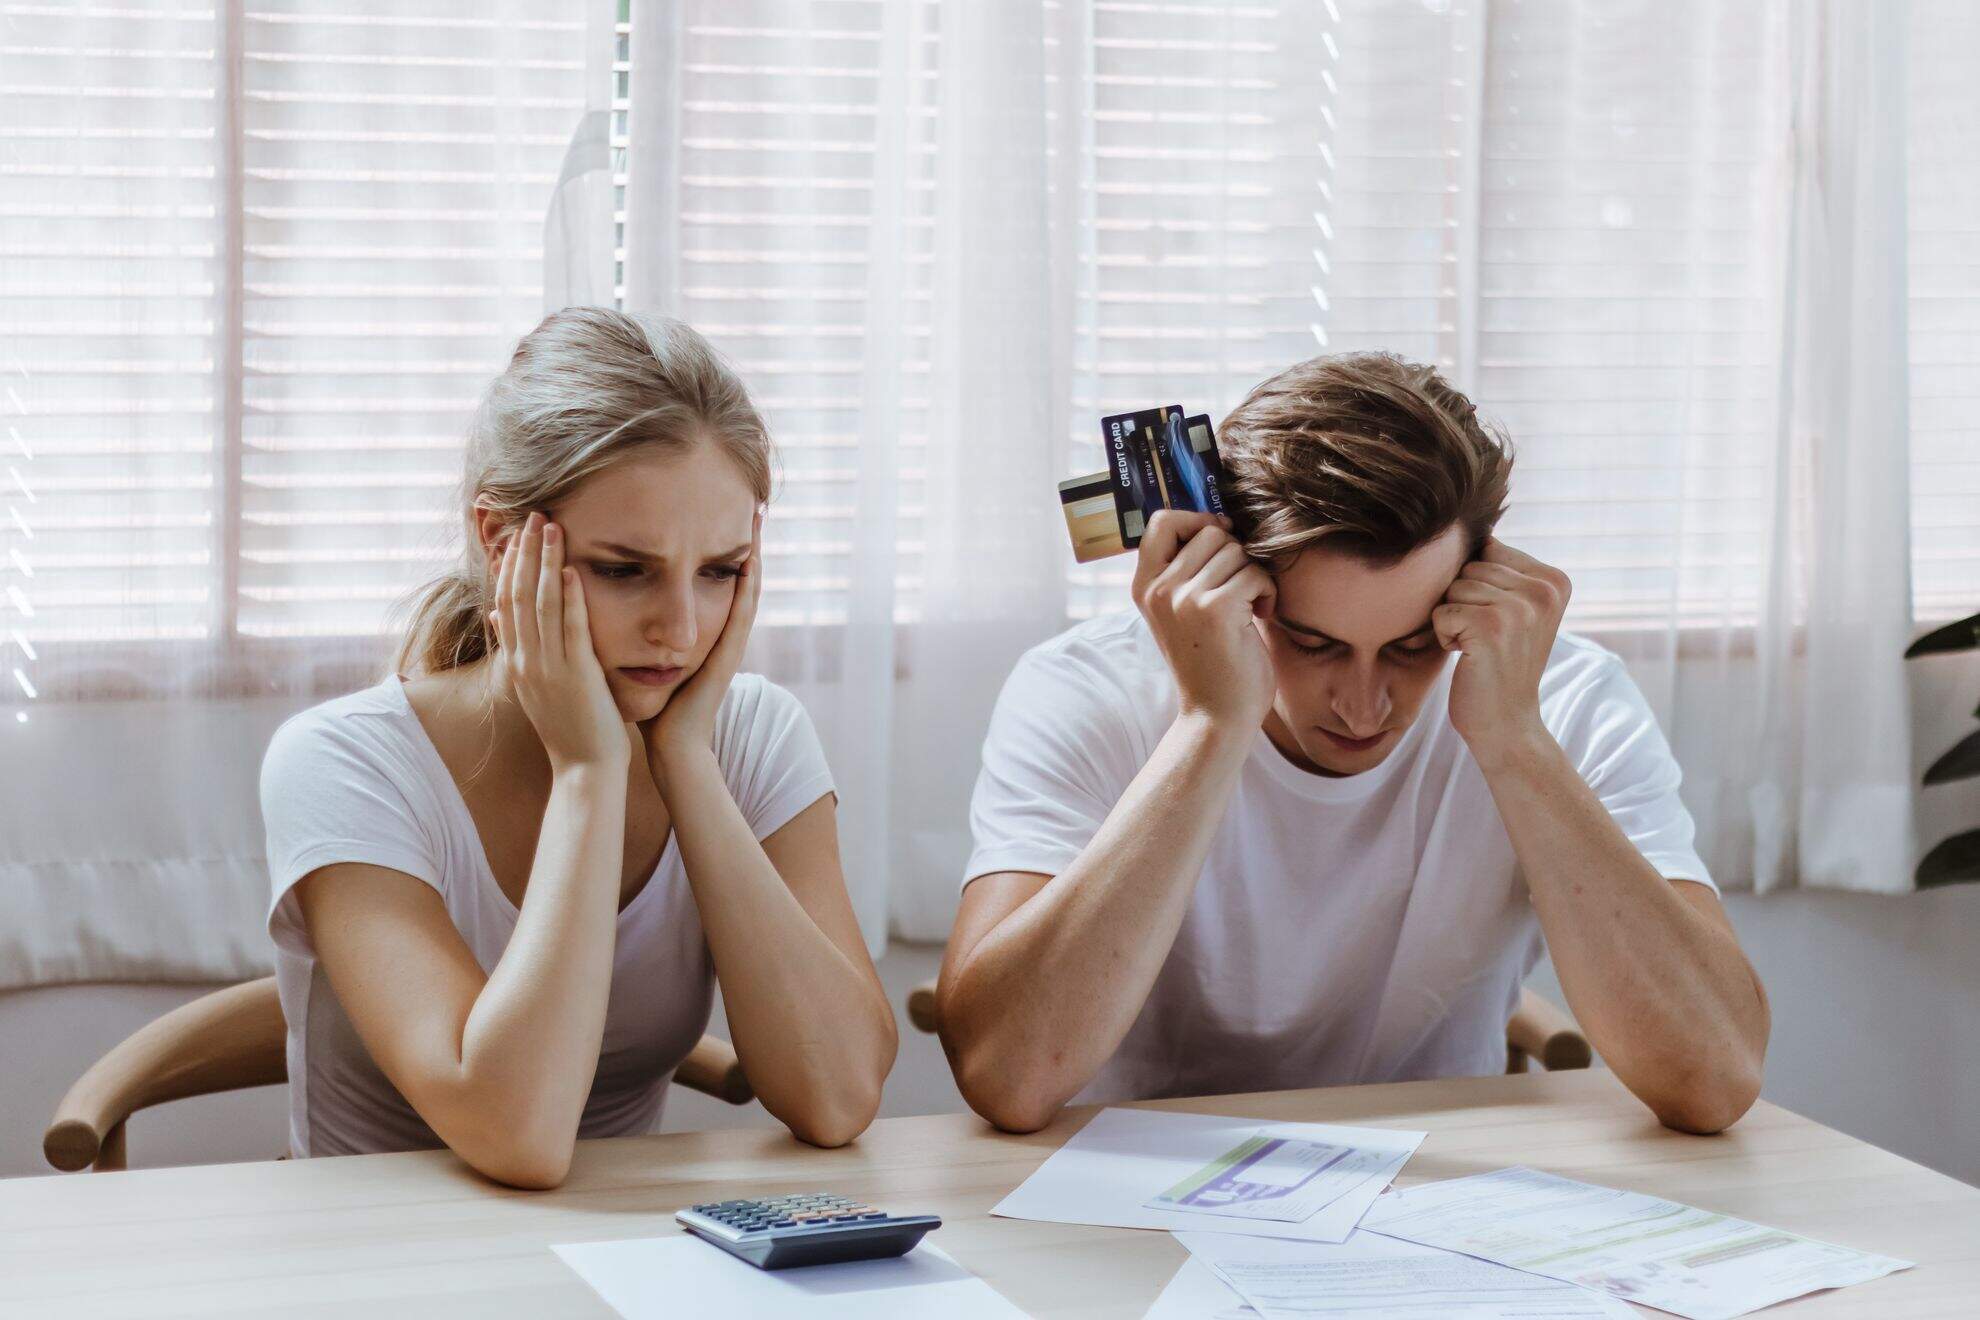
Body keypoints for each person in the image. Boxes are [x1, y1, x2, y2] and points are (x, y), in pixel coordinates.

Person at [937, 352, 1771, 1135]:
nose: (1365, 705)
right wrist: (1210, 725)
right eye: (1315, 643)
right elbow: (1008, 1077)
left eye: (1412, 648)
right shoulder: (1085, 690)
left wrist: (1516, 740)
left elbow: (1715, 1078)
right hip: (1132, 1191)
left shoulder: (1565, 697)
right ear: (1231, 584)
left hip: (1432, 1194)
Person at [259, 308, 896, 1187]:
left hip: (623, 1258)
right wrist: (590, 772)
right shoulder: (343, 762)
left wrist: (687, 764)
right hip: (379, 1260)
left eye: (720, 573)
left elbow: (838, 1098)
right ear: (500, 540)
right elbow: (514, 1132)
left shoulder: (752, 735)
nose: (679, 629)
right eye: (623, 569)